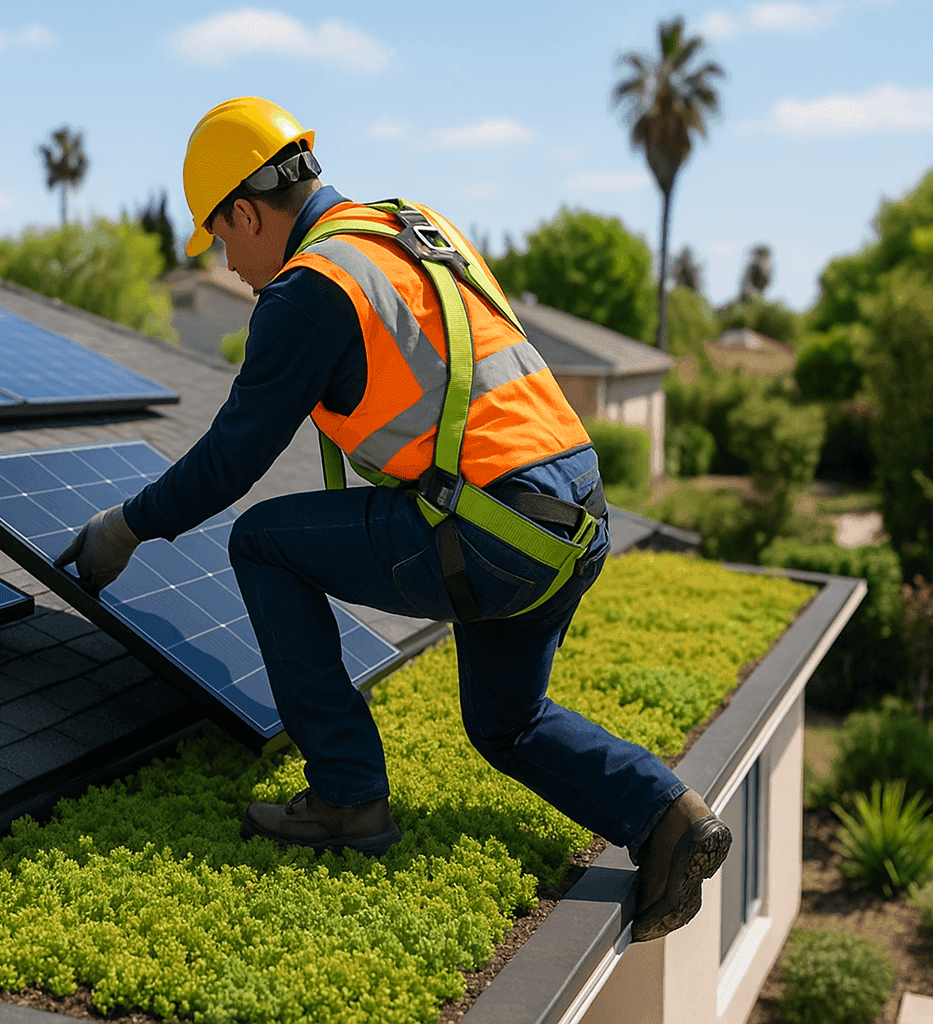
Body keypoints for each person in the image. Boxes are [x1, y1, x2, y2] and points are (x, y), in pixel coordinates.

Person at [56, 96, 729, 942]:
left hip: (494, 527)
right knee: (505, 722)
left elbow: (230, 460)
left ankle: (345, 799)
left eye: (222, 239)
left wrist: (125, 526)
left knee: (263, 541)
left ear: (245, 211)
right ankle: (671, 819)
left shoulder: (312, 287)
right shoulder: (409, 226)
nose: (228, 263)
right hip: (574, 511)